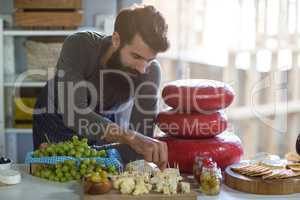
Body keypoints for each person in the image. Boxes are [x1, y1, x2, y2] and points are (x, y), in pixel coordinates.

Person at [32, 4, 170, 170]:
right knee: (52, 177)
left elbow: (139, 144)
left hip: (104, 122)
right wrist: (132, 138)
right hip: (56, 115)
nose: (142, 69)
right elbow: (75, 114)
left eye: (149, 60)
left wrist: (148, 150)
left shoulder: (150, 72)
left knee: (95, 175)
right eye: (136, 56)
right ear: (116, 39)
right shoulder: (79, 45)